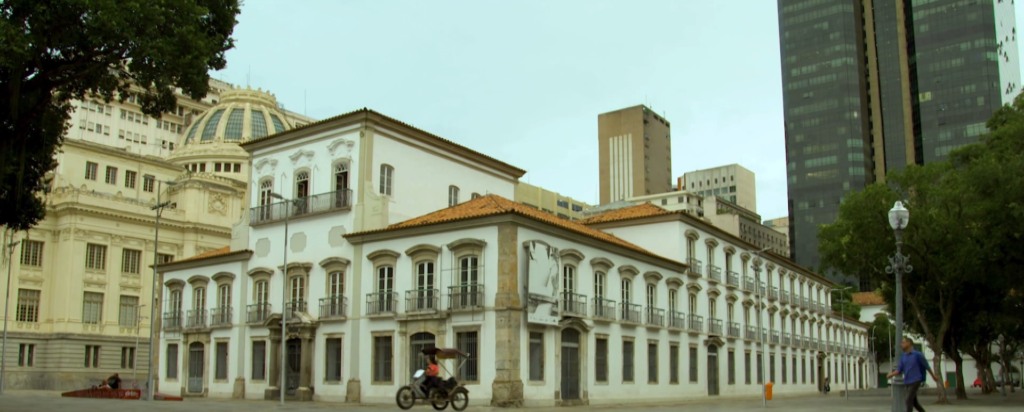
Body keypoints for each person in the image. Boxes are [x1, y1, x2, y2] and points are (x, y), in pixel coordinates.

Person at [887, 337, 940, 412]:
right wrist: (891, 374)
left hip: (916, 380)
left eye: (903, 342)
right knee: (914, 402)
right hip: (907, 381)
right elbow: (899, 370)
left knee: (908, 400)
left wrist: (933, 376)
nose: (901, 344)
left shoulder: (918, 355)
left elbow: (926, 366)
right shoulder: (903, 357)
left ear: (909, 343)